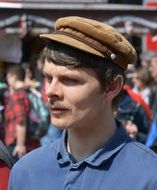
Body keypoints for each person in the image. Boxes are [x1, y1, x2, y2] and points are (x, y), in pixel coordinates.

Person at [9, 16, 157, 190]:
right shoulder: (26, 171)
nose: (51, 91)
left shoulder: (148, 177)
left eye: (69, 80)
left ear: (113, 86)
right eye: (48, 78)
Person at [4, 65, 39, 163]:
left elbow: (21, 120)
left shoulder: (17, 95)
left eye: (8, 77)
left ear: (13, 77)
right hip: (30, 142)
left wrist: (20, 144)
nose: (7, 81)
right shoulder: (29, 92)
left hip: (17, 145)